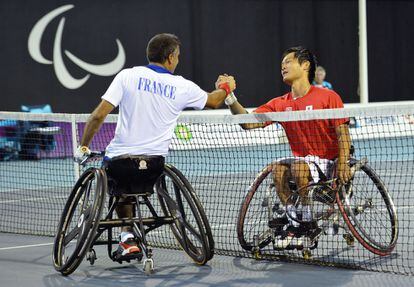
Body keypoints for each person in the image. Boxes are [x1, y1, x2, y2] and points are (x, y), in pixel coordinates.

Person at [74, 33, 236, 261]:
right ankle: (128, 235)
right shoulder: (181, 85)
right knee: (134, 180)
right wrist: (226, 87)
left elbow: (98, 116)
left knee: (121, 185)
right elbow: (214, 100)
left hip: (120, 163)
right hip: (154, 166)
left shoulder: (128, 76)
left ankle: (127, 237)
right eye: (177, 56)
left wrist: (83, 146)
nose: (178, 60)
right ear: (170, 57)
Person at [224, 47, 351, 248]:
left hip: (329, 164)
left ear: (305, 65)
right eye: (282, 63)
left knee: (298, 167)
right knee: (278, 168)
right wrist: (229, 96)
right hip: (303, 164)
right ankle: (294, 222)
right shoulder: (280, 104)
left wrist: (343, 164)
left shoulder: (328, 97)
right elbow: (248, 122)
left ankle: (307, 222)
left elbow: (343, 134)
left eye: (288, 61)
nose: (283, 66)